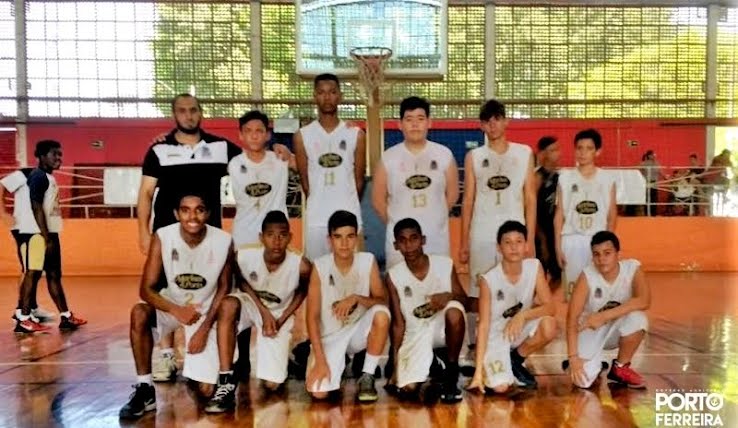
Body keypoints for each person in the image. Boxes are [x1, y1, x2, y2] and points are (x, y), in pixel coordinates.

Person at [119, 192, 233, 419]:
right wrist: (176, 310)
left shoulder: (224, 240)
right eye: (185, 210)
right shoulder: (162, 236)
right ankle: (145, 389)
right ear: (176, 213)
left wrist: (203, 328)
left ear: (208, 214)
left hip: (205, 312)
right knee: (139, 312)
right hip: (173, 306)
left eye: (199, 210)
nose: (192, 216)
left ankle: (201, 372)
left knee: (206, 391)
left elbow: (224, 288)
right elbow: (146, 290)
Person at [205, 211, 311, 413]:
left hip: (280, 313)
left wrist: (284, 317)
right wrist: (262, 310)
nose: (277, 241)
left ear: (290, 237)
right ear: (261, 237)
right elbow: (239, 277)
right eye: (270, 235)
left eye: (282, 235)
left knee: (272, 385)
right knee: (228, 304)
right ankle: (226, 378)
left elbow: (303, 291)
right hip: (252, 306)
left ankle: (283, 361)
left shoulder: (302, 265)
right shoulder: (244, 256)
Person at [304, 210, 390, 402]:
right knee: (319, 393)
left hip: (356, 334)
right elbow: (312, 317)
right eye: (338, 237)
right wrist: (320, 360)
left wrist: (357, 298)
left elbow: (383, 301)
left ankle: (367, 376)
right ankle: (336, 364)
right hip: (330, 337)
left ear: (356, 238)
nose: (344, 243)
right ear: (329, 239)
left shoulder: (367, 261)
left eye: (350, 236)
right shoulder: (320, 266)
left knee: (381, 314)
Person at [467, 221, 557, 392]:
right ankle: (485, 365)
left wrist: (522, 316)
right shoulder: (488, 280)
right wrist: (478, 373)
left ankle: (515, 359)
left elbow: (551, 307)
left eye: (519, 241)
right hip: (495, 334)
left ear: (526, 246)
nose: (514, 247)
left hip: (518, 327)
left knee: (549, 325)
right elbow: (484, 325)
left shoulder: (534, 267)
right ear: (499, 248)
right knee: (501, 388)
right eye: (507, 242)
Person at [385, 218, 467, 403]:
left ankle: (451, 372)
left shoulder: (445, 265)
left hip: (441, 331)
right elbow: (398, 324)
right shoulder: (393, 276)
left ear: (423, 240)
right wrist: (395, 366)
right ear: (396, 245)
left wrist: (449, 296)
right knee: (408, 389)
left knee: (455, 310)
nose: (409, 245)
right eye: (403, 240)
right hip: (415, 334)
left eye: (413, 238)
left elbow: (467, 303)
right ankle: (434, 364)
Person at [460, 99, 536, 294]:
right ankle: (479, 325)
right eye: (487, 121)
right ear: (482, 125)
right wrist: (463, 242)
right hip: (481, 234)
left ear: (506, 121)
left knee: (513, 291)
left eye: (497, 119)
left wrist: (530, 239)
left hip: (514, 235)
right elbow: (468, 200)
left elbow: (530, 198)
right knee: (479, 291)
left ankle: (514, 325)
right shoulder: (473, 157)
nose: (492, 125)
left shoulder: (524, 153)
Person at [372, 96, 459, 268]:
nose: (415, 124)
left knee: (439, 291)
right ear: (400, 124)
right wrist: (396, 224)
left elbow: (453, 194)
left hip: (436, 239)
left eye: (420, 119)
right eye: (409, 119)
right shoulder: (388, 157)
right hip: (400, 242)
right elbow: (377, 200)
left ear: (429, 122)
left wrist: (435, 216)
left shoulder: (444, 155)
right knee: (400, 290)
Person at [13, 140, 86, 333]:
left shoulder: (48, 177)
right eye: (55, 154)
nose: (59, 158)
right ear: (43, 156)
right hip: (36, 235)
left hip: (48, 233)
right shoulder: (38, 176)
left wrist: (51, 236)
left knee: (54, 275)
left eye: (60, 155)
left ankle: (66, 316)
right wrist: (45, 237)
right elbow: (36, 206)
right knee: (33, 274)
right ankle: (24, 318)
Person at [294, 74, 366, 261]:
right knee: (317, 275)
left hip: (349, 217)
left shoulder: (355, 134)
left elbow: (359, 182)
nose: (327, 97)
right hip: (317, 218)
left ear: (340, 96)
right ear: (314, 96)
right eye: (321, 92)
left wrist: (344, 200)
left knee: (351, 277)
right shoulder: (302, 136)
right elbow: (306, 183)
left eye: (332, 92)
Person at [564, 231, 649, 389]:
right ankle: (592, 363)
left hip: (618, 328)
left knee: (638, 318)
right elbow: (571, 318)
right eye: (596, 254)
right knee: (582, 382)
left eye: (607, 253)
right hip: (590, 330)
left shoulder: (632, 268)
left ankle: (620, 367)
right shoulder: (587, 276)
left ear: (618, 254)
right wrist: (573, 357)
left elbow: (644, 300)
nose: (601, 259)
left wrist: (604, 315)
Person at [554, 129, 617, 299]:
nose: (583, 153)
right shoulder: (565, 178)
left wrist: (609, 246)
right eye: (579, 148)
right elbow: (559, 214)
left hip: (597, 242)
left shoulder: (607, 179)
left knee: (598, 294)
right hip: (571, 240)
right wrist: (558, 246)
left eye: (588, 148)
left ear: (598, 151)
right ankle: (574, 326)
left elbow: (612, 214)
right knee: (573, 295)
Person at [228, 110, 294, 249]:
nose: (254, 135)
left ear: (268, 135)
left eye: (259, 130)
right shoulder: (233, 163)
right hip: (243, 235)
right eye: (248, 131)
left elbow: (311, 166)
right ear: (241, 135)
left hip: (276, 237)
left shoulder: (280, 158)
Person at [1, 167, 55, 326]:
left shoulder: (47, 179)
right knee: (28, 269)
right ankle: (20, 311)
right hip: (24, 227)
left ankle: (31, 307)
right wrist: (2, 212)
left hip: (37, 228)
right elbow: (2, 185)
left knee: (36, 270)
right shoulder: (26, 173)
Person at [533, 136, 562, 285]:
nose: (558, 153)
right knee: (540, 273)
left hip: (554, 231)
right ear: (543, 153)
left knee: (558, 274)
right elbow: (531, 208)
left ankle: (547, 301)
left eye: (558, 149)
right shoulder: (537, 177)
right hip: (541, 231)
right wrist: (540, 238)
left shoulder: (559, 176)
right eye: (553, 150)